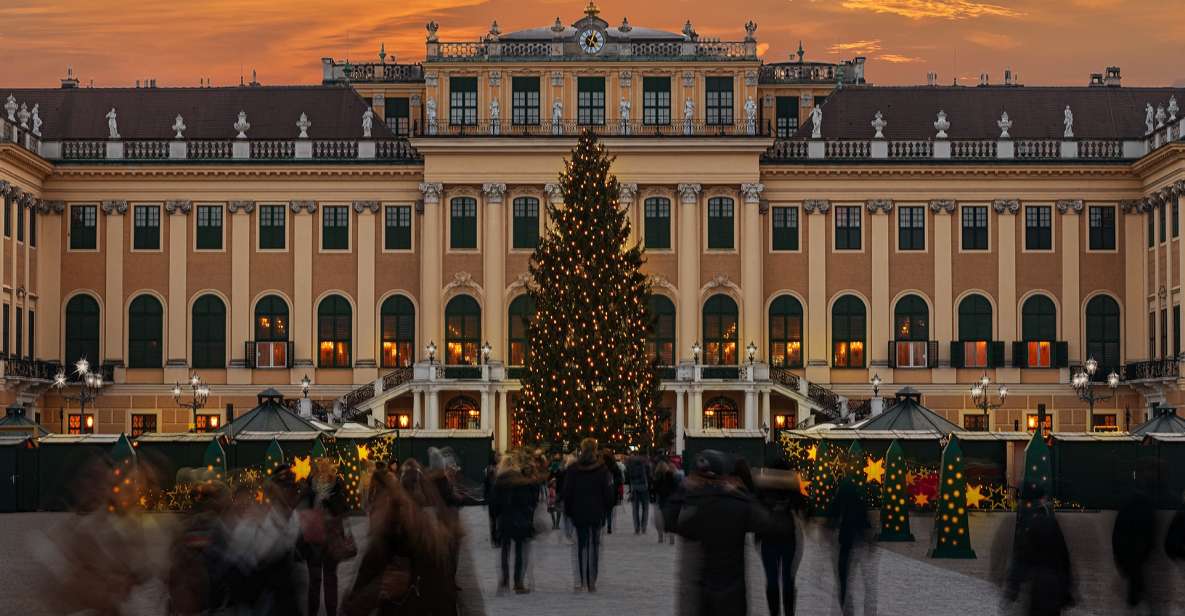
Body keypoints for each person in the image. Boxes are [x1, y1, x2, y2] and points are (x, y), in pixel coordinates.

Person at [665, 450, 771, 616]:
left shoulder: (696, 506)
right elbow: (764, 521)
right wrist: (740, 492)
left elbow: (669, 521)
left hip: (702, 595)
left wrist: (682, 490)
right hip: (733, 594)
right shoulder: (737, 503)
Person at [342, 468, 452, 616]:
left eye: (375, 500)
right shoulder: (381, 544)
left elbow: (443, 600)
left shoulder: (427, 542)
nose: (370, 509)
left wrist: (409, 582)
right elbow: (352, 606)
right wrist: (378, 588)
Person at [1005, 485, 1074, 616]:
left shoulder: (1028, 525)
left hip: (1038, 586)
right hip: (1054, 585)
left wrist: (1013, 587)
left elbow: (1021, 559)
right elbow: (1064, 558)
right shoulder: (1050, 522)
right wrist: (1067, 588)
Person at [298, 458, 351, 616]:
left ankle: (331, 612)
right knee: (314, 581)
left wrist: (329, 501)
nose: (322, 472)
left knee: (330, 579)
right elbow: (302, 510)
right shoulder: (308, 487)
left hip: (331, 540)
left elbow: (343, 509)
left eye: (325, 469)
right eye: (319, 469)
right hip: (313, 539)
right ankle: (312, 612)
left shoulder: (337, 486)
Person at [562, 438, 615, 592]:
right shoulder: (602, 469)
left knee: (582, 545)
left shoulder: (573, 469)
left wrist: (569, 511)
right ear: (595, 449)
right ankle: (592, 580)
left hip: (579, 512)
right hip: (597, 512)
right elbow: (608, 494)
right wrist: (607, 509)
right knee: (595, 545)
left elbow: (567, 492)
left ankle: (582, 580)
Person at [754, 460, 805, 616]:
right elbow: (803, 507)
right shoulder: (791, 486)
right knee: (788, 577)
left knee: (771, 579)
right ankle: (789, 612)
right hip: (788, 537)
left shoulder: (764, 486)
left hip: (768, 538)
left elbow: (756, 509)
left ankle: (774, 612)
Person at [491, 451, 539, 594]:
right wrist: (528, 517)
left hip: (504, 519)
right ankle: (518, 583)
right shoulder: (521, 481)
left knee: (505, 550)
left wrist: (494, 520)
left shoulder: (499, 482)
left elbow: (494, 505)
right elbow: (528, 502)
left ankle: (505, 580)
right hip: (519, 519)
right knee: (519, 551)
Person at [828, 474, 875, 614]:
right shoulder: (858, 503)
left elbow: (832, 518)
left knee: (844, 580)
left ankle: (847, 610)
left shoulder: (840, 501)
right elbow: (866, 523)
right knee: (862, 582)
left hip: (846, 543)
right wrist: (869, 542)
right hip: (857, 543)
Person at [1112, 485, 1156, 610]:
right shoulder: (1146, 508)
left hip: (1128, 555)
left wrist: (1118, 557)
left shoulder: (1125, 510)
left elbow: (1117, 535)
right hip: (1138, 554)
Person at [652, 459, 678, 544]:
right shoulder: (671, 475)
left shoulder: (657, 476)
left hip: (661, 499)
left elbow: (654, 489)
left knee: (660, 519)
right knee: (670, 518)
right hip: (670, 499)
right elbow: (675, 487)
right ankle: (671, 537)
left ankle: (660, 537)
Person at [625, 453, 651, 534]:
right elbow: (650, 477)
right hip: (644, 489)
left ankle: (637, 528)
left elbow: (628, 478)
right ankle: (644, 527)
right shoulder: (646, 465)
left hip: (635, 489)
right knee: (645, 509)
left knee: (635, 510)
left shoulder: (631, 466)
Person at [604, 450, 624, 534]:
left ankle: (603, 523)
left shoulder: (601, 466)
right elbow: (620, 479)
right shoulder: (614, 466)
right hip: (612, 489)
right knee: (610, 509)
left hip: (603, 489)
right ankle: (609, 525)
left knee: (603, 508)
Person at [483, 451, 501, 546]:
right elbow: (487, 483)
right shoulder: (490, 469)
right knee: (494, 520)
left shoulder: (500, 467)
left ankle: (497, 538)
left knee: (498, 519)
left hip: (498, 497)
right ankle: (495, 539)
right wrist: (486, 497)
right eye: (498, 456)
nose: (500, 457)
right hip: (493, 497)